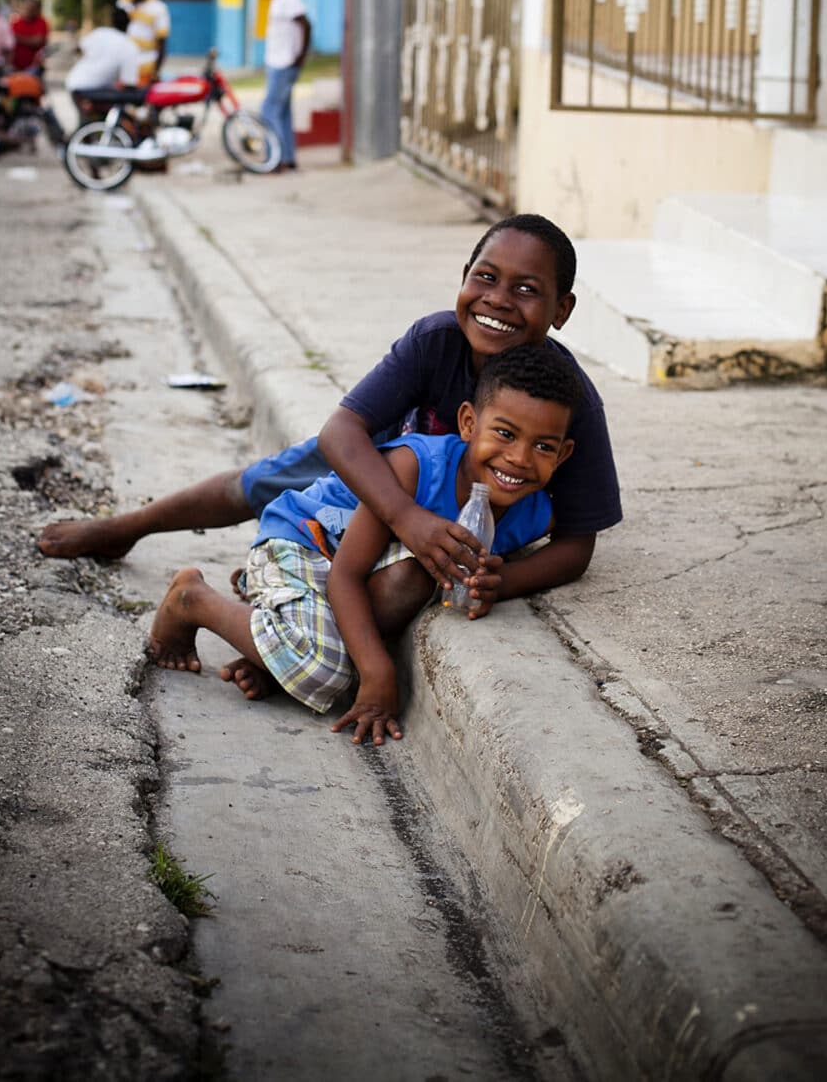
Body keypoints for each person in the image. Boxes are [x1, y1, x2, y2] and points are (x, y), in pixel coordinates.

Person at [38, 213, 622, 604]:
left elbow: (577, 543)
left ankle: (276, 596)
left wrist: (507, 580)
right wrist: (405, 517)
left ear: (562, 309)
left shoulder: (569, 403)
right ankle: (128, 527)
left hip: (455, 511)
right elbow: (342, 432)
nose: (498, 300)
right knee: (265, 481)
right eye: (486, 277)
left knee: (389, 582)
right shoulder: (435, 340)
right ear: (463, 279)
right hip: (384, 474)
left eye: (526, 289)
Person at [147, 344, 581, 746]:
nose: (520, 459)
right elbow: (346, 575)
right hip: (304, 540)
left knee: (411, 580)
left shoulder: (534, 513)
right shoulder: (414, 466)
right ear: (468, 423)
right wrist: (376, 673)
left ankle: (272, 653)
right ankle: (193, 599)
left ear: (562, 456)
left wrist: (496, 584)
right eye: (504, 434)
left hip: (353, 573)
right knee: (325, 670)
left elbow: (568, 555)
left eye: (542, 446)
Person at [260, 0, 310, 172]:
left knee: (269, 110)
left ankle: (276, 159)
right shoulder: (278, 0)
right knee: (283, 112)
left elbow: (306, 25)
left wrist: (300, 56)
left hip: (285, 63)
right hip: (279, 62)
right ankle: (288, 158)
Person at [65, 6, 140, 112]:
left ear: (112, 21)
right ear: (129, 25)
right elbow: (129, 83)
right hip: (93, 91)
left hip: (73, 83)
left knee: (87, 124)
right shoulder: (129, 46)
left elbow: (78, 49)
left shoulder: (100, 33)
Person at [117, 0, 170, 82]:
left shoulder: (158, 8)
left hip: (146, 67)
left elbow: (162, 44)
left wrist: (156, 73)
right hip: (124, 65)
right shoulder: (123, 3)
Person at [10, 0, 49, 73]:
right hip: (15, 66)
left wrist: (18, 38)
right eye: (27, 7)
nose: (29, 10)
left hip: (34, 67)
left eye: (32, 8)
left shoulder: (41, 22)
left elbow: (38, 41)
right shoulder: (16, 23)